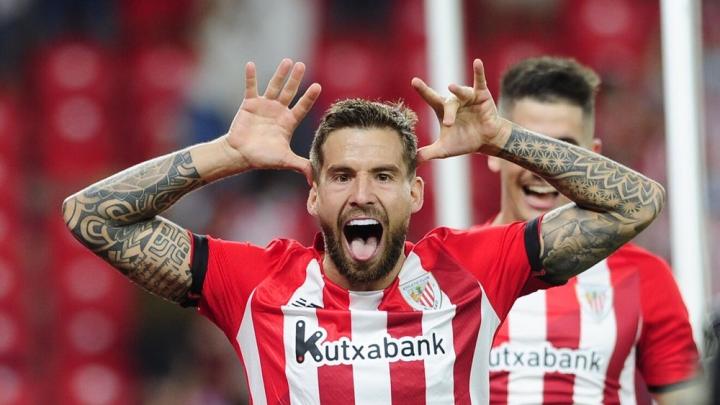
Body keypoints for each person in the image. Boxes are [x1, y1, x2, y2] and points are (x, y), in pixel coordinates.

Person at [62, 57, 666, 404]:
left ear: (415, 194)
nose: (361, 194)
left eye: (383, 175)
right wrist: (226, 154)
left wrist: (503, 138)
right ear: (313, 195)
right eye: (342, 176)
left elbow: (635, 204)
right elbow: (91, 215)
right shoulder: (256, 283)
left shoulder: (472, 269)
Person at [486, 57, 699, 404]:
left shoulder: (645, 276)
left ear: (593, 159)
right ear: (493, 152)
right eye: (528, 148)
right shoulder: (451, 270)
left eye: (564, 151)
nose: (544, 169)